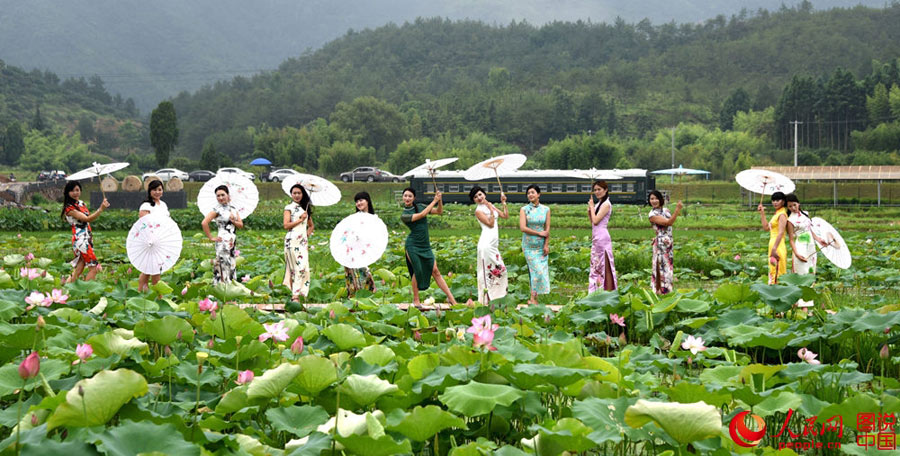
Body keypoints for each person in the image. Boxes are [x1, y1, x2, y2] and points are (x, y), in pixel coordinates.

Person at [400, 187, 457, 306]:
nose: (407, 198)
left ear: (414, 198)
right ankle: (416, 299)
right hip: (412, 245)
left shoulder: (420, 205)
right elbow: (422, 214)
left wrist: (440, 200)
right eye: (405, 196)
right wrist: (434, 200)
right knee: (417, 270)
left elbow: (439, 211)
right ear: (402, 197)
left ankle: (451, 298)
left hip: (425, 245)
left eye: (410, 196)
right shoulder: (405, 215)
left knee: (435, 271)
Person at [61, 181, 109, 282]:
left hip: (87, 237)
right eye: (72, 190)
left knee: (79, 268)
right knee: (94, 267)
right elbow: (87, 219)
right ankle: (87, 290)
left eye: (77, 190)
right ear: (67, 192)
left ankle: (67, 288)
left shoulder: (81, 203)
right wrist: (101, 209)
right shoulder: (69, 208)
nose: (75, 193)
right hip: (81, 240)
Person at [470, 186, 508, 305]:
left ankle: (498, 298)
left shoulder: (490, 205)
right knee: (487, 273)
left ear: (484, 194)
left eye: (480, 194)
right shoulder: (478, 211)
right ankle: (486, 300)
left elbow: (505, 216)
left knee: (501, 270)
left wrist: (503, 203)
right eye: (475, 197)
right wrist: (491, 210)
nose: (479, 198)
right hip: (486, 244)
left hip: (493, 244)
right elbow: (491, 224)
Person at [201, 185, 243, 284]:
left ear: (228, 195)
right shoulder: (217, 209)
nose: (220, 198)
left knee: (231, 262)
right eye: (218, 196)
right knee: (223, 263)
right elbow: (204, 223)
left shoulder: (233, 209)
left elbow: (240, 225)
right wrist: (211, 237)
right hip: (222, 241)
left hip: (232, 241)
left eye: (222, 195)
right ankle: (221, 286)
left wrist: (233, 221)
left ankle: (231, 286)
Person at [647, 190, 683, 295]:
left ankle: (667, 290)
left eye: (656, 198)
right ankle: (659, 291)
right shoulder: (652, 214)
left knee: (668, 267)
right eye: (651, 199)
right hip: (660, 244)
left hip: (668, 242)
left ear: (661, 199)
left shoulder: (666, 210)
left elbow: (668, 227)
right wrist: (677, 210)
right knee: (660, 266)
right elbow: (668, 222)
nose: (654, 201)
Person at [519, 184, 550, 305]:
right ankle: (533, 299)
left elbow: (547, 229)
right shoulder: (524, 210)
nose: (530, 195)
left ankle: (534, 298)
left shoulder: (546, 209)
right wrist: (538, 233)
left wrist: (546, 244)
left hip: (541, 246)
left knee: (541, 272)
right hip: (529, 246)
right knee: (535, 271)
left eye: (533, 192)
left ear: (538, 194)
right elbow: (523, 228)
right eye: (528, 193)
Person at [137, 179, 170, 291]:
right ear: (150, 191)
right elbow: (143, 224)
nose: (157, 192)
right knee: (153, 268)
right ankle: (157, 294)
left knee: (148, 268)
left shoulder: (163, 205)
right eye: (154, 189)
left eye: (160, 189)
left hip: (161, 239)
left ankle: (142, 292)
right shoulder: (146, 205)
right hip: (150, 240)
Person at [283, 184, 314, 301]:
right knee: (296, 268)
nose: (296, 195)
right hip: (291, 241)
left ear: (303, 194)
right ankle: (295, 295)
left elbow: (311, 226)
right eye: (294, 193)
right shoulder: (289, 208)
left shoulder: (305, 209)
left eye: (299, 193)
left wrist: (305, 235)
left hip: (302, 243)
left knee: (304, 268)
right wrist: (300, 220)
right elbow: (286, 225)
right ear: (291, 194)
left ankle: (301, 293)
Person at [344, 192, 376, 297]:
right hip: (353, 248)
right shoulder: (354, 218)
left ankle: (367, 296)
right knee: (353, 274)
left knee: (365, 273)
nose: (359, 203)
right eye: (357, 201)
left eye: (361, 200)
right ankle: (354, 298)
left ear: (367, 201)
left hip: (365, 249)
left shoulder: (374, 218)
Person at [588, 180, 617, 292]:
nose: (597, 192)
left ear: (606, 190)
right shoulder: (599, 204)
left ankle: (606, 289)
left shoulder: (606, 204)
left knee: (603, 264)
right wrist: (590, 211)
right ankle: (595, 290)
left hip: (602, 237)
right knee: (596, 265)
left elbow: (596, 221)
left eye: (599, 189)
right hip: (596, 237)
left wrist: (591, 208)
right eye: (595, 190)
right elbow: (593, 221)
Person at [758, 191, 788, 285]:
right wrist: (762, 213)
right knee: (772, 269)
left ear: (783, 202)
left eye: (777, 200)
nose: (775, 202)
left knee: (778, 271)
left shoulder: (782, 214)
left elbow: (781, 232)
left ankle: (778, 293)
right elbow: (766, 228)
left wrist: (774, 248)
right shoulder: (776, 214)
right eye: (773, 200)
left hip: (777, 245)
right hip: (773, 244)